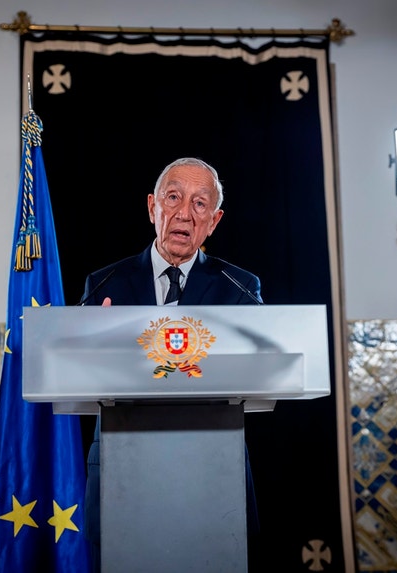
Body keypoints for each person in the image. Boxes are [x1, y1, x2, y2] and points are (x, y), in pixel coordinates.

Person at [79, 157, 262, 572]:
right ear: (152, 207)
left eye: (200, 204)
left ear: (214, 221)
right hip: (123, 466)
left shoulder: (240, 289)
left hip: (212, 468)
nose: (184, 213)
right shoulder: (105, 284)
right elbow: (80, 375)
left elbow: (257, 371)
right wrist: (95, 347)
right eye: (174, 197)